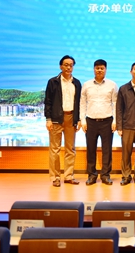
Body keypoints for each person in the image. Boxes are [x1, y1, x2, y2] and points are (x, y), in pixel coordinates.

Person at [44, 55, 82, 187]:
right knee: (55, 149)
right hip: (56, 119)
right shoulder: (53, 82)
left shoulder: (77, 83)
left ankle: (68, 176)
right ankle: (55, 177)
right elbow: (48, 102)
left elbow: (79, 103)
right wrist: (48, 119)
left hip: (71, 118)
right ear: (61, 66)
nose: (68, 67)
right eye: (66, 65)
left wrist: (78, 119)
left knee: (70, 149)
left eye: (71, 65)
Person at [79, 59, 118, 186]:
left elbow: (115, 103)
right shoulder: (87, 85)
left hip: (107, 121)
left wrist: (115, 120)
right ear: (94, 69)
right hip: (90, 121)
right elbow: (82, 103)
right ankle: (92, 175)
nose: (99, 70)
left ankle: (105, 175)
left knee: (107, 150)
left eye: (102, 68)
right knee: (91, 149)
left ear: (106, 69)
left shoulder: (112, 85)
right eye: (97, 68)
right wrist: (83, 120)